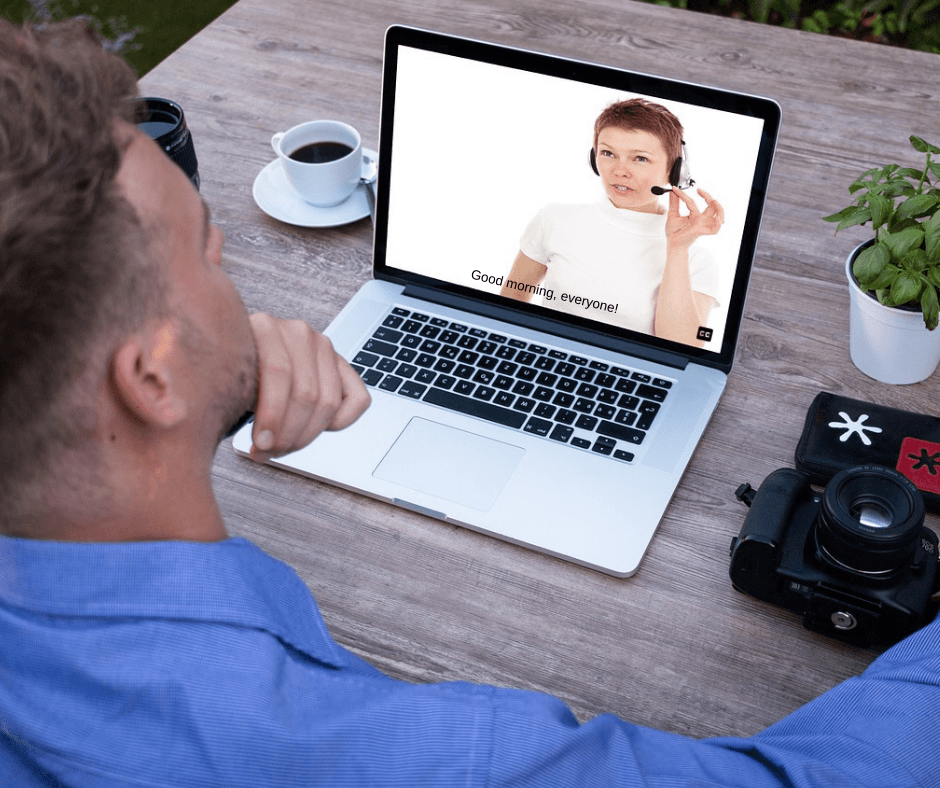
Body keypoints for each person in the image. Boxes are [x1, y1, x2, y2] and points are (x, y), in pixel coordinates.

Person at [2, 17, 940, 788]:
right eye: (211, 252)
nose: (240, 288)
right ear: (151, 377)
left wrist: (221, 386)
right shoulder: (412, 757)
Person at [500, 99, 724, 346]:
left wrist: (677, 248)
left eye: (640, 158)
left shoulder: (697, 261)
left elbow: (683, 348)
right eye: (608, 154)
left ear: (675, 170)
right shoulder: (553, 220)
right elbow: (508, 308)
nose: (619, 170)